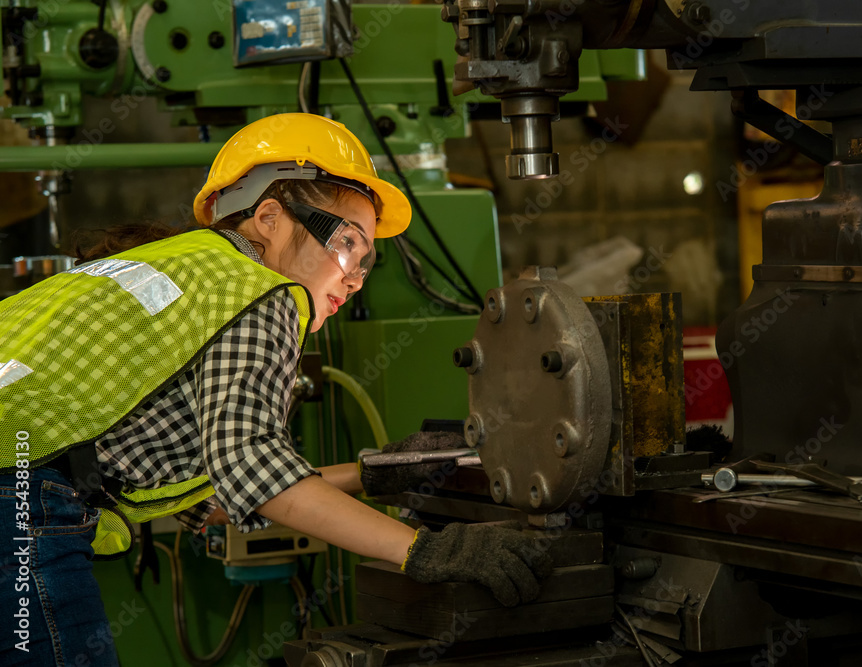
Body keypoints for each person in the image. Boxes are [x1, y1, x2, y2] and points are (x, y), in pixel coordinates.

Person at [0, 113, 550, 666]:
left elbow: (221, 497)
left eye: (367, 262)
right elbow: (255, 470)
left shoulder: (184, 272)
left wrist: (371, 473)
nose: (356, 277)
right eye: (348, 244)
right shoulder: (263, 290)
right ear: (269, 218)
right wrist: (430, 550)